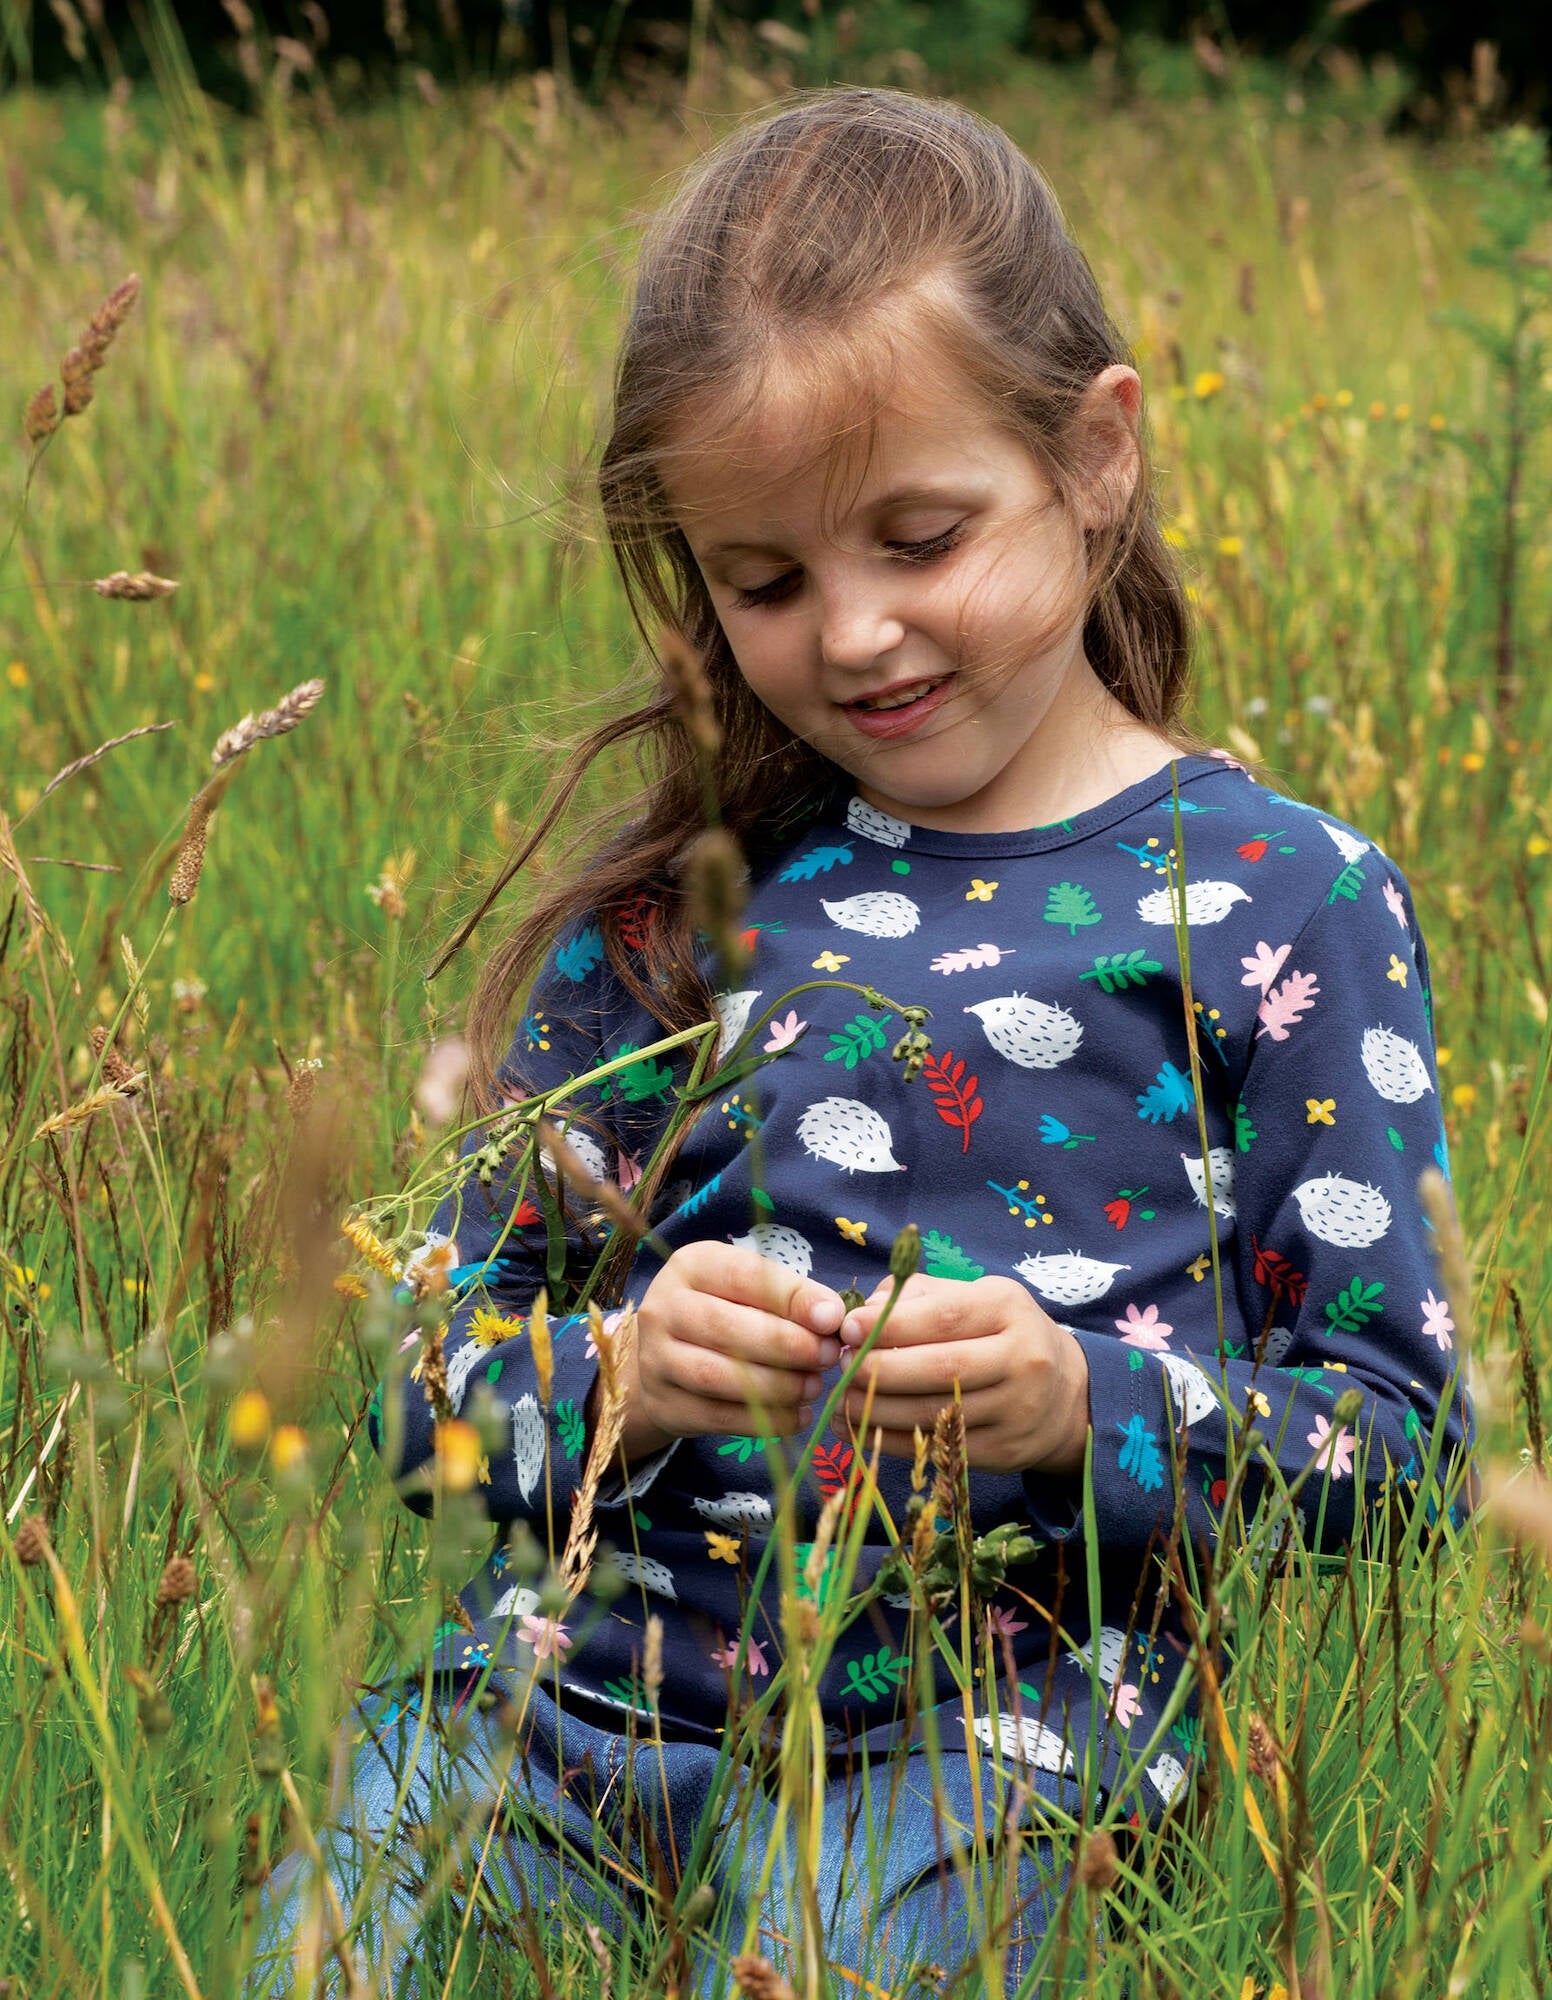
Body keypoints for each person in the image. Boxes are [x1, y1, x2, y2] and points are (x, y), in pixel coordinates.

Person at [253, 84, 1471, 1997]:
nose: (859, 633)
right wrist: (625, 1373)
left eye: (922, 535)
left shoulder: (1282, 899)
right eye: (767, 582)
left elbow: (1401, 1464)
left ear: (1095, 456)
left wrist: (1085, 1408)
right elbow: (406, 1405)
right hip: (559, 1715)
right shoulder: (691, 904)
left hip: (998, 1739)